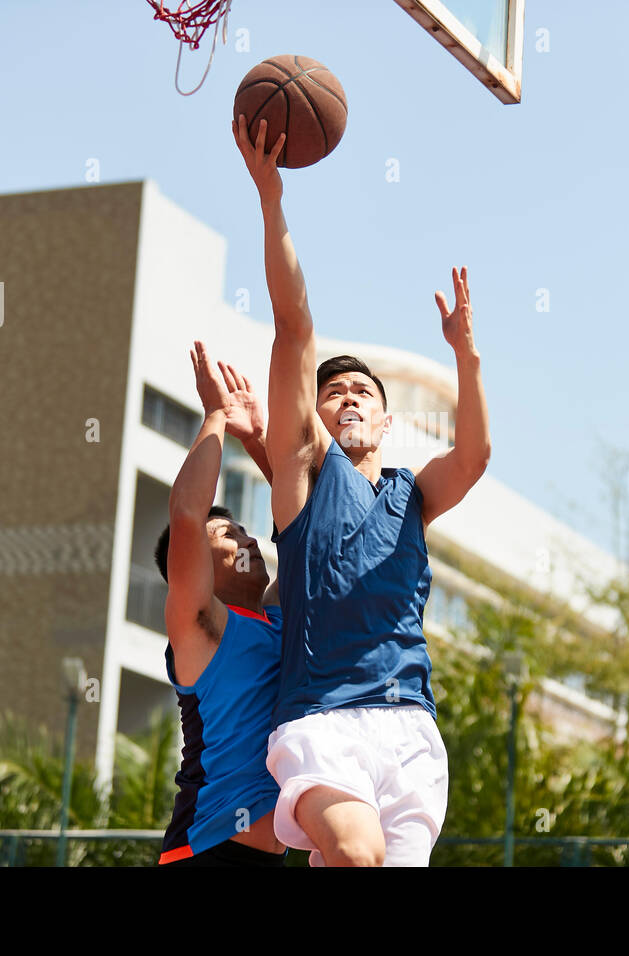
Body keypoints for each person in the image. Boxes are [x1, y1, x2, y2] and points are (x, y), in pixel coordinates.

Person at [233, 114, 492, 866]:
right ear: (313, 416)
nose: (347, 397)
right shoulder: (306, 472)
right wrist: (271, 198)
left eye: (361, 392)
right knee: (355, 854)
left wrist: (467, 358)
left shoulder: (414, 494)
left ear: (386, 418)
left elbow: (473, 456)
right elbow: (292, 326)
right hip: (322, 715)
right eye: (333, 391)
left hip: (409, 724)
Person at [154, 342, 288, 867]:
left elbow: (311, 520)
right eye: (228, 533)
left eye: (245, 530)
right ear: (197, 567)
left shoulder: (277, 616)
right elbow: (188, 514)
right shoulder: (200, 627)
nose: (249, 539)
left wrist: (256, 437)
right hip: (203, 850)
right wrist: (215, 416)